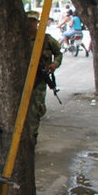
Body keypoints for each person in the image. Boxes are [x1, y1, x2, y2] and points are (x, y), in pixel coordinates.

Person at [26, 10, 63, 144]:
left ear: (37, 22)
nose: (30, 23)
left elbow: (59, 53)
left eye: (33, 21)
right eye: (28, 20)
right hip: (22, 79)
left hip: (39, 80)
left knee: (36, 108)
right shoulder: (19, 38)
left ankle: (32, 137)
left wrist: (54, 64)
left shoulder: (46, 39)